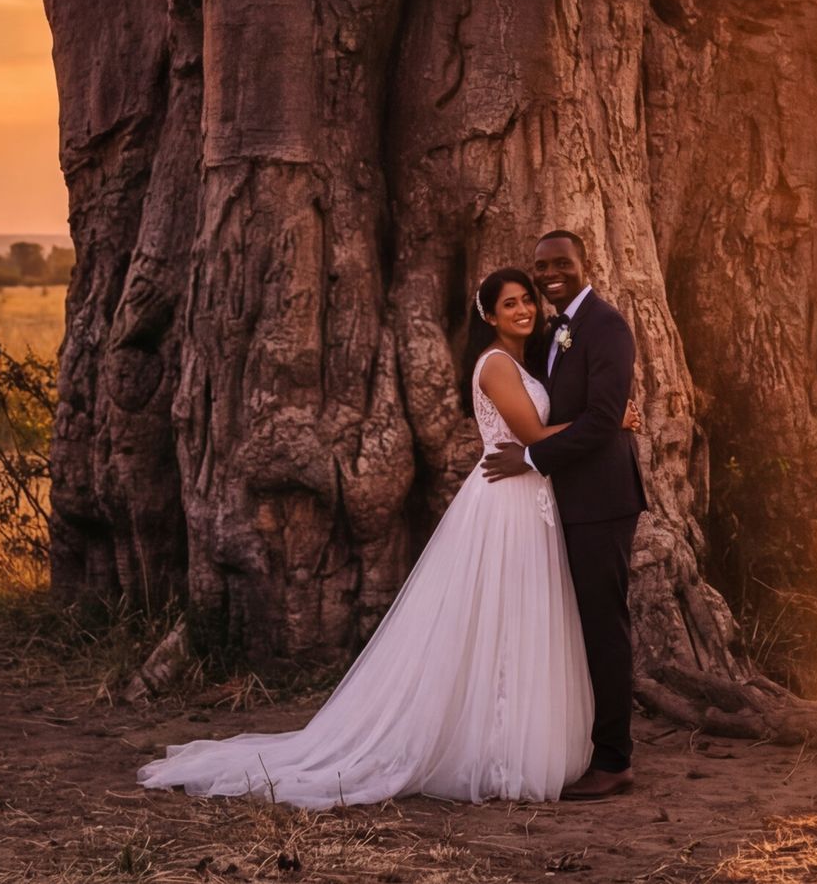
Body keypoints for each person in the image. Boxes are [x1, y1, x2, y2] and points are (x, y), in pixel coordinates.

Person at [138, 266, 606, 807]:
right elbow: (530, 436)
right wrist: (606, 419)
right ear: (489, 315)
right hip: (505, 500)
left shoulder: (523, 361)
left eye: (528, 300)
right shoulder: (497, 365)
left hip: (529, 498)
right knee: (495, 617)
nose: (524, 310)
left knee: (517, 618)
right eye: (510, 304)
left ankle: (510, 739)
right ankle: (492, 748)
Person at [480, 227, 645, 799]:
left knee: (604, 627)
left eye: (560, 264)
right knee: (568, 627)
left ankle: (614, 759)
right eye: (540, 267)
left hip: (602, 501)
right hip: (561, 502)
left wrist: (528, 456)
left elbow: (603, 421)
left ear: (584, 263)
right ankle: (569, 743)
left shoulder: (606, 327)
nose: (549, 275)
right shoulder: (554, 332)